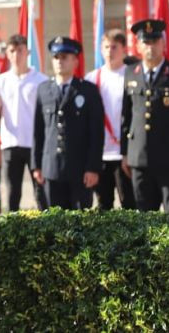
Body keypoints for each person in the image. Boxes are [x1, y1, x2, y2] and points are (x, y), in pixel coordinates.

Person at [120, 20, 169, 212]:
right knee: (144, 217)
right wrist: (124, 153)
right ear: (138, 46)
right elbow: (126, 117)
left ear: (163, 44)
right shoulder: (131, 73)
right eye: (146, 42)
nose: (151, 47)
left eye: (155, 41)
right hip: (139, 158)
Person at [32, 37, 104, 209]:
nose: (59, 61)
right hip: (51, 168)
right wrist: (37, 165)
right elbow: (38, 131)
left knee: (80, 224)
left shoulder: (88, 90)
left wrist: (93, 168)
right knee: (54, 224)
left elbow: (96, 132)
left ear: (75, 61)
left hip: (80, 170)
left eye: (65, 57)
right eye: (56, 57)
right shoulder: (44, 90)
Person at [0, 35, 49, 212]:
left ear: (27, 52)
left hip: (35, 144)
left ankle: (45, 231)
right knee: (12, 192)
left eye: (20, 50)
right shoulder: (1, 80)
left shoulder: (41, 80)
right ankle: (13, 233)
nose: (16, 55)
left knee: (40, 191)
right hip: (10, 144)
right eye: (12, 51)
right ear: (7, 53)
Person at [92, 28, 135, 210]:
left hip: (125, 153)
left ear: (124, 49)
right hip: (101, 153)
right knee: (103, 205)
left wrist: (130, 152)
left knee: (129, 203)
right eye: (106, 47)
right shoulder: (92, 78)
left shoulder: (133, 75)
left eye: (114, 47)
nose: (110, 51)